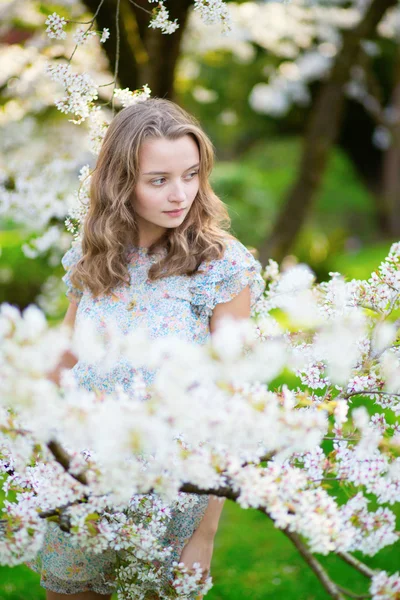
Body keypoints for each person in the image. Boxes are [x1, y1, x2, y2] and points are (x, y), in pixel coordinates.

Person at [28, 98, 266, 600]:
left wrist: (204, 535)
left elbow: (230, 404)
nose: (180, 194)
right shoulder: (91, 258)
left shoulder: (221, 266)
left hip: (172, 493)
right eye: (159, 180)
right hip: (84, 476)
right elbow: (63, 359)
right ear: (120, 182)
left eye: (191, 175)